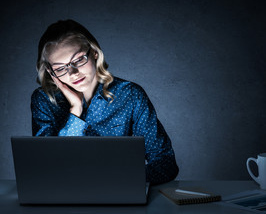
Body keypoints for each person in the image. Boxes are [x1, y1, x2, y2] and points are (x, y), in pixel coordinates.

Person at [31, 19, 179, 184]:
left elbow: (165, 162)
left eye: (79, 60)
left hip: (121, 195)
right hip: (64, 201)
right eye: (60, 69)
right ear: (51, 72)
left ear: (94, 52)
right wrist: (75, 110)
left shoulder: (130, 94)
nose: (72, 73)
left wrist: (120, 181)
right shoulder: (43, 100)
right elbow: (46, 168)